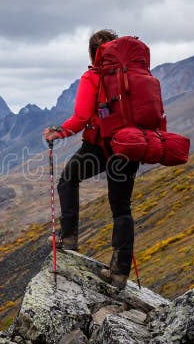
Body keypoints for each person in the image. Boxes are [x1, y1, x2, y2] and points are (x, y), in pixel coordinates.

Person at [42, 29, 140, 287]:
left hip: (99, 146)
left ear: (93, 54)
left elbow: (82, 117)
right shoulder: (135, 75)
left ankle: (69, 236)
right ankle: (119, 272)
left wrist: (57, 132)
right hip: (130, 146)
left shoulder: (93, 77)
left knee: (68, 179)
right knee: (121, 208)